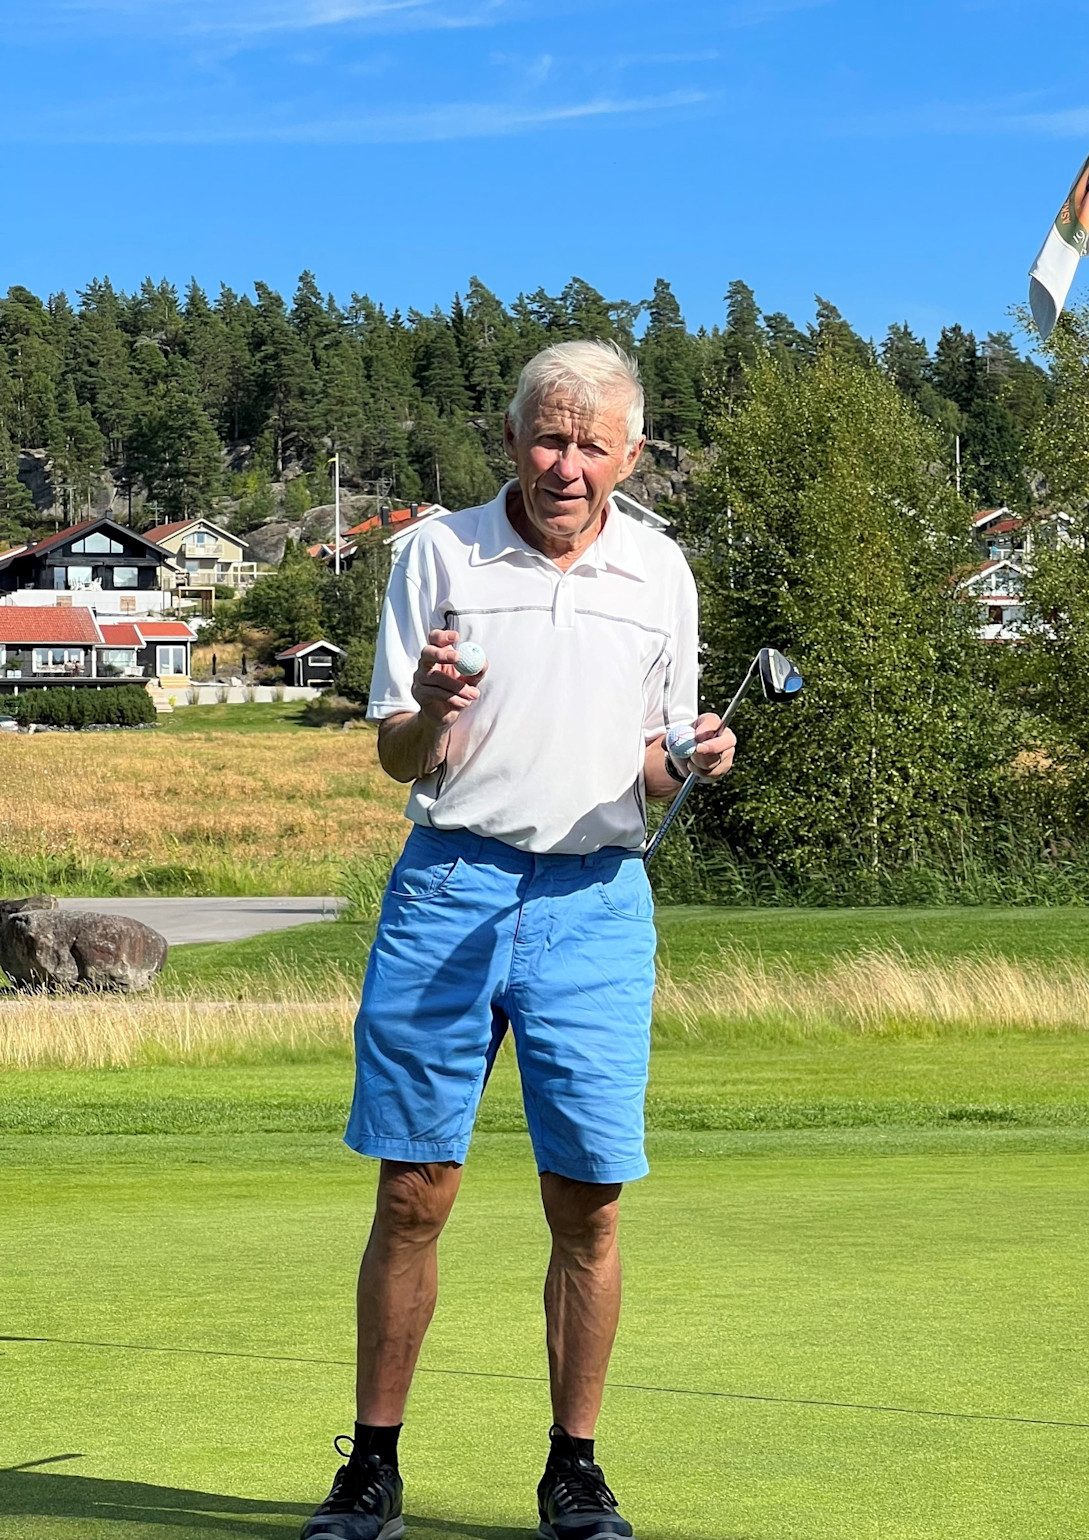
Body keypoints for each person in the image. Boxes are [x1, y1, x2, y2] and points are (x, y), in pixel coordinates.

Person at [300, 340, 735, 1540]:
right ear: (510, 440)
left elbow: (652, 772)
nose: (568, 465)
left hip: (595, 904)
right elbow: (397, 748)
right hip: (448, 885)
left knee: (588, 1203)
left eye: (594, 445)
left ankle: (573, 1471)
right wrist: (430, 710)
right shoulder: (436, 553)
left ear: (631, 455)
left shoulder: (660, 571)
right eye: (550, 437)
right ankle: (372, 1468)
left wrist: (692, 761)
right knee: (413, 1190)